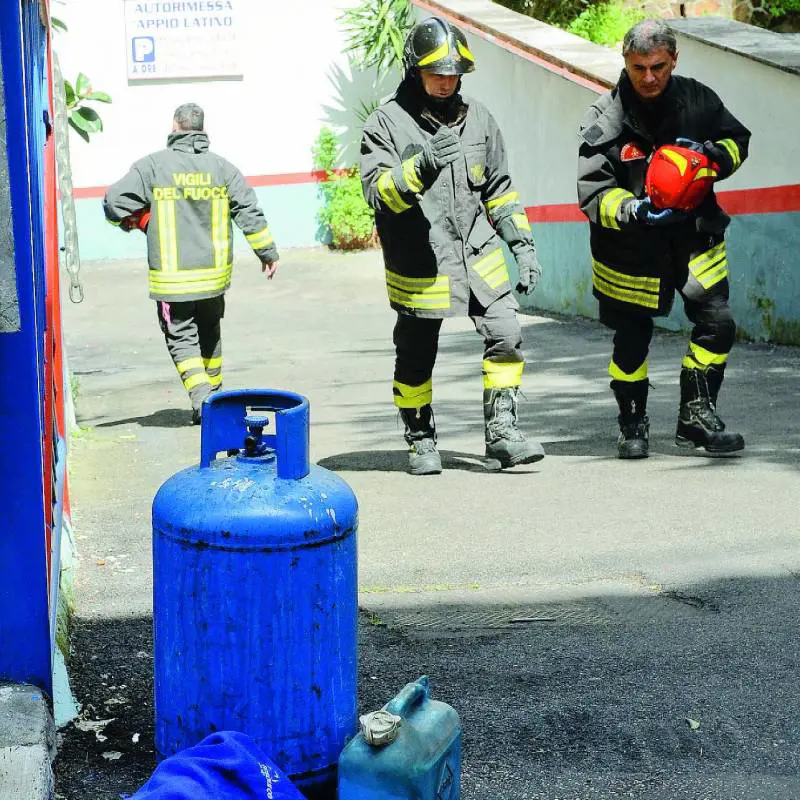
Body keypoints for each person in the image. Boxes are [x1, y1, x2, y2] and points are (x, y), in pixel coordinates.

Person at [360, 16, 545, 475]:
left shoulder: (479, 118)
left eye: (453, 75)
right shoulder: (386, 123)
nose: (446, 83)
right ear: (414, 71)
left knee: (505, 333)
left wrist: (522, 246)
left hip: (478, 253)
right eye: (436, 74)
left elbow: (499, 189)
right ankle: (420, 437)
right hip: (422, 260)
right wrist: (419, 167)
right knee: (417, 353)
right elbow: (376, 193)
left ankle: (503, 434)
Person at [577, 19, 750, 459]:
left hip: (695, 236)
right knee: (632, 338)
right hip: (630, 249)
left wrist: (714, 157)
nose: (649, 77)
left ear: (674, 60)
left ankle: (697, 416)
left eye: (658, 66)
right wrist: (634, 209)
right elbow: (593, 193)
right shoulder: (604, 117)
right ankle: (631, 423)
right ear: (625, 63)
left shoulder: (698, 99)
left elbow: (737, 141)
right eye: (639, 68)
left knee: (718, 324)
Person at [103, 103, 280, 424]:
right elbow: (249, 211)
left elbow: (113, 203)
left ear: (175, 127)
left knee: (182, 339)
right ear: (202, 129)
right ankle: (216, 399)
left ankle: (204, 402)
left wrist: (142, 219)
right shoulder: (223, 169)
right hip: (213, 280)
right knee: (210, 333)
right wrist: (267, 252)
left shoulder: (153, 167)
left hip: (174, 283)